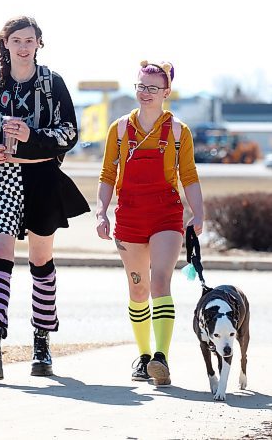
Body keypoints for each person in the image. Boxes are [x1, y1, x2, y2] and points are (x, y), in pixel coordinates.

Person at [0, 15, 90, 381]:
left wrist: (32, 135)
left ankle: (41, 339)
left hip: (42, 177)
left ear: (38, 44)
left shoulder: (52, 83)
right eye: (16, 40)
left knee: (41, 259)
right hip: (4, 177)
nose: (22, 46)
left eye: (29, 40)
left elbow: (69, 132)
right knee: (0, 253)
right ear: (5, 44)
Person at [96, 60, 203, 386]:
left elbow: (189, 176)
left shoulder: (178, 132)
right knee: (138, 289)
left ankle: (161, 359)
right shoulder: (119, 130)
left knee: (160, 284)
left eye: (153, 88)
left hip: (166, 217)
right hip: (128, 217)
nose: (145, 93)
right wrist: (101, 211)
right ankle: (143, 357)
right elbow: (107, 176)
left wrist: (199, 212)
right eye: (141, 86)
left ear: (166, 93)